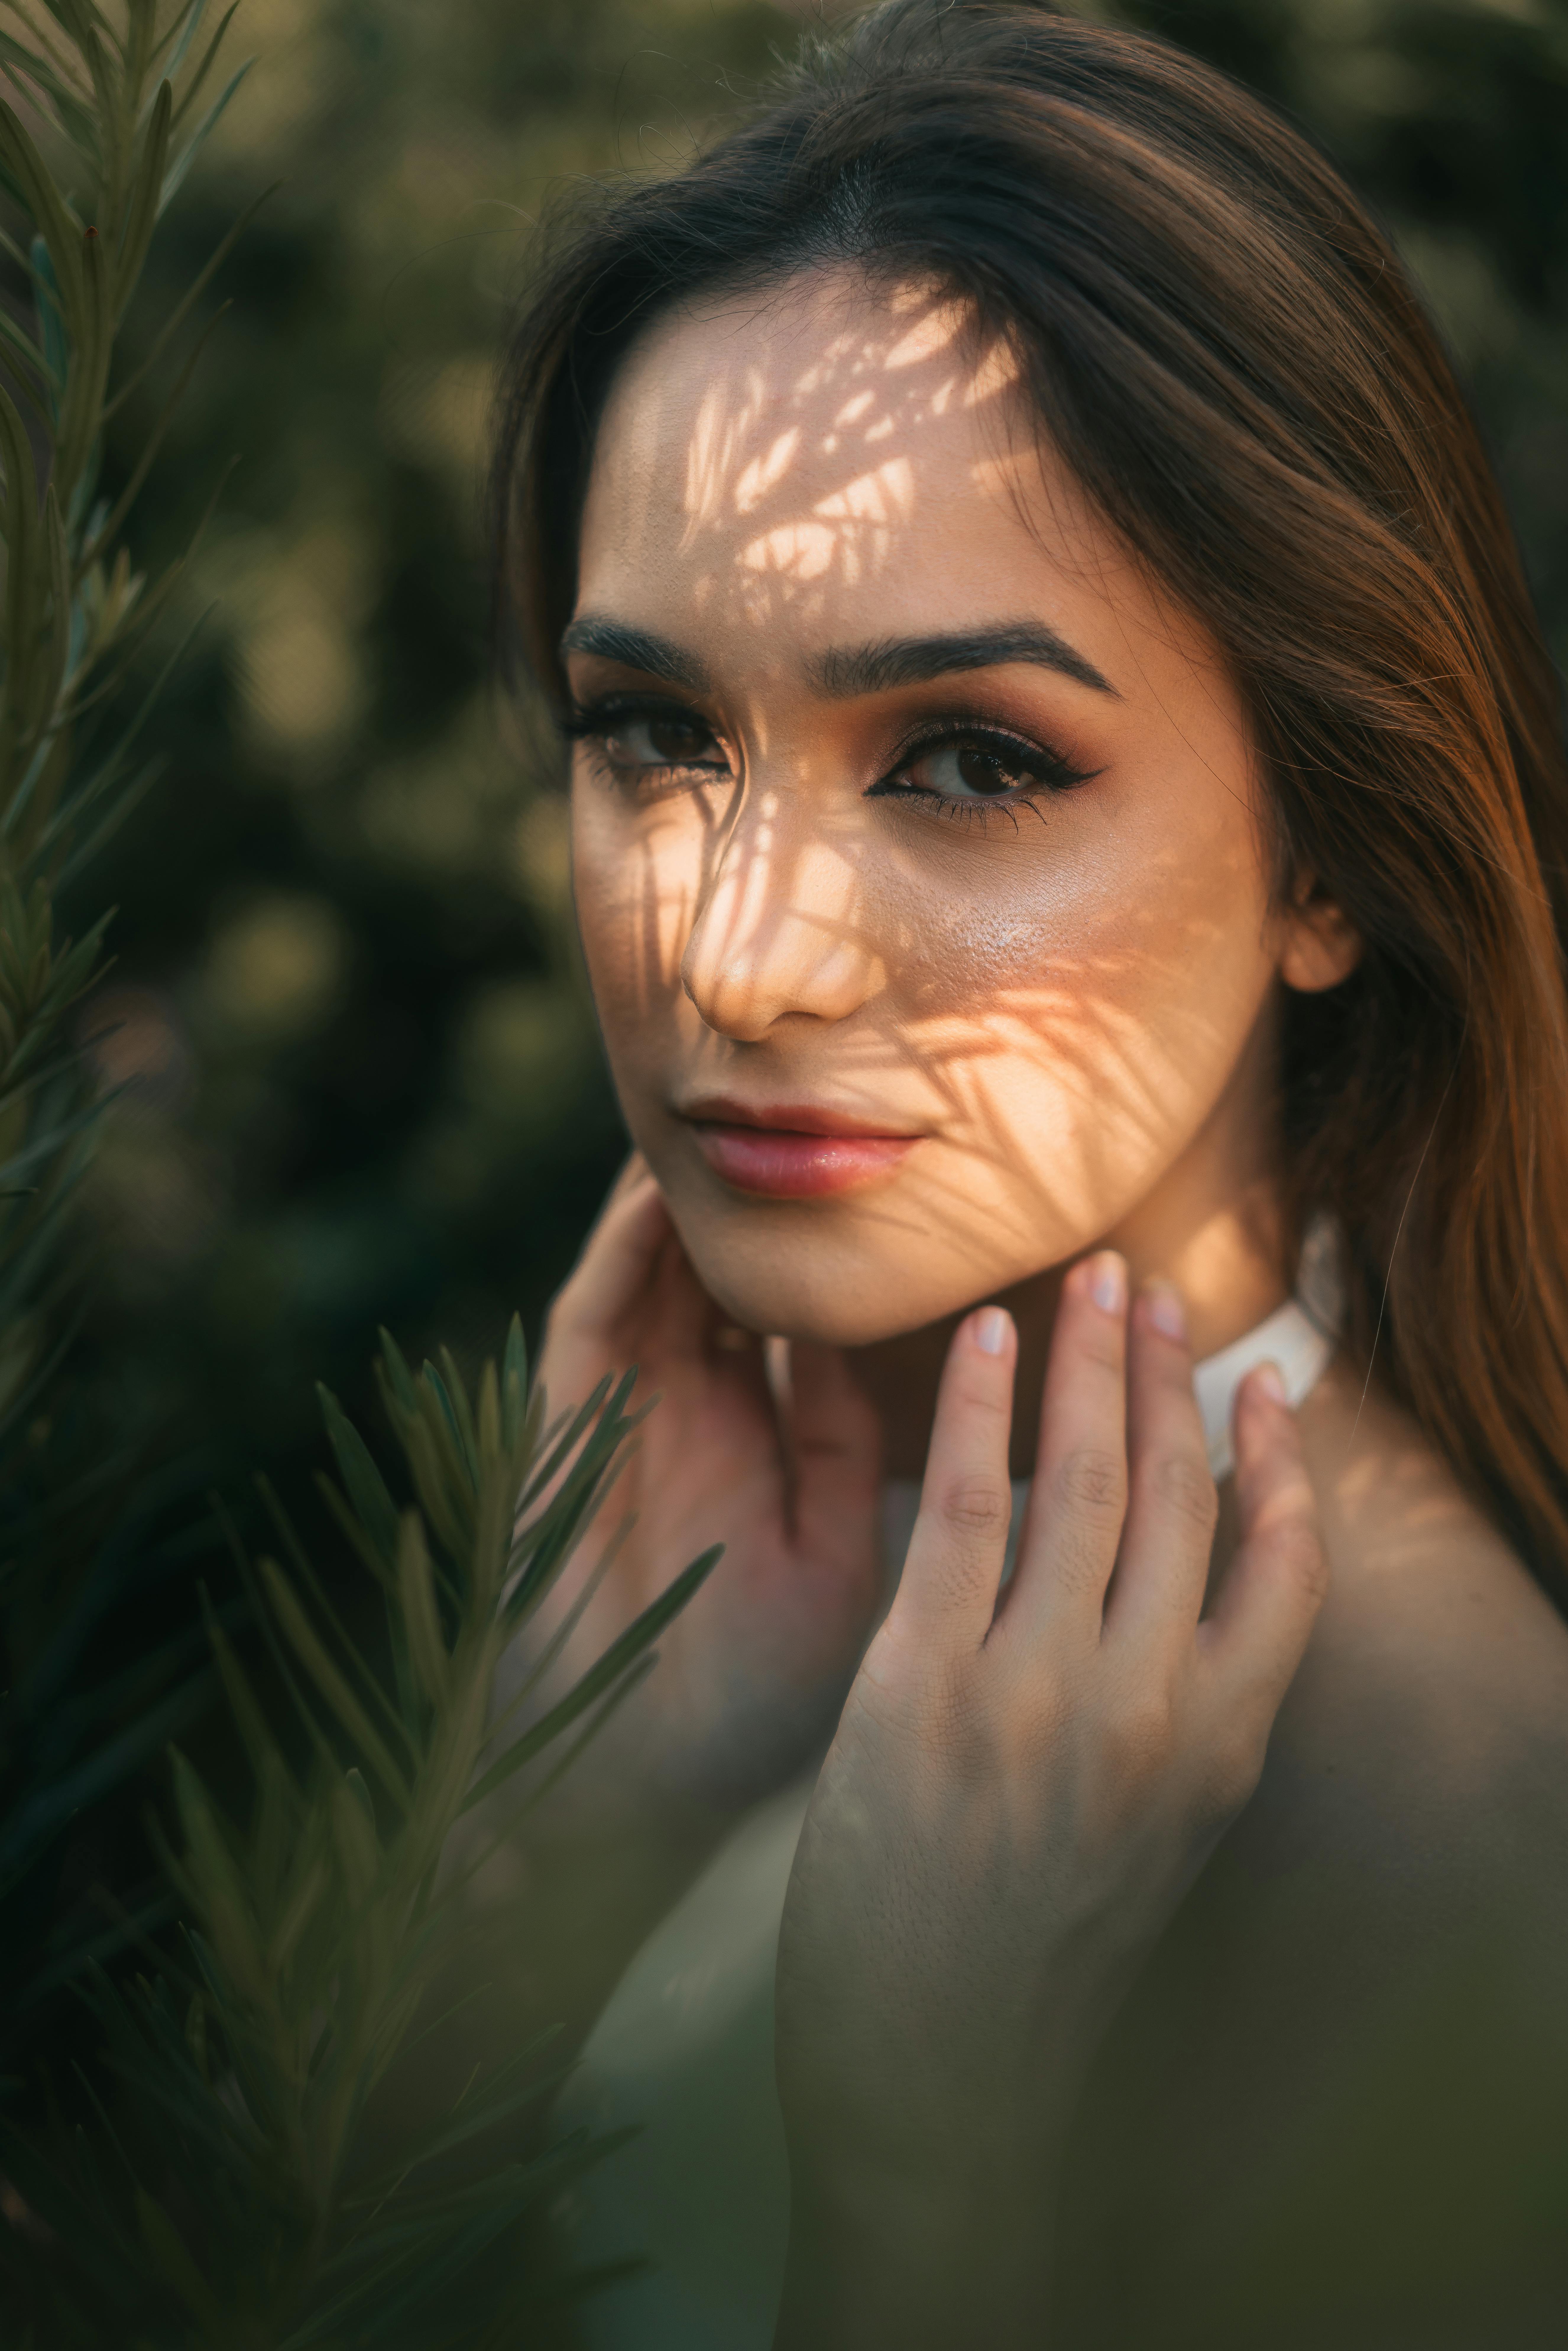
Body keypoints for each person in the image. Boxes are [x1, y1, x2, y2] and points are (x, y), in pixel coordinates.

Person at [485, 4, 1568, 2341]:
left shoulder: (1459, 1828)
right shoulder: (688, 1541)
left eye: (971, 759)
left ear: (1334, 850)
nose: (739, 959)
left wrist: (922, 2184)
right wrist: (543, 1849)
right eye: (654, 734)